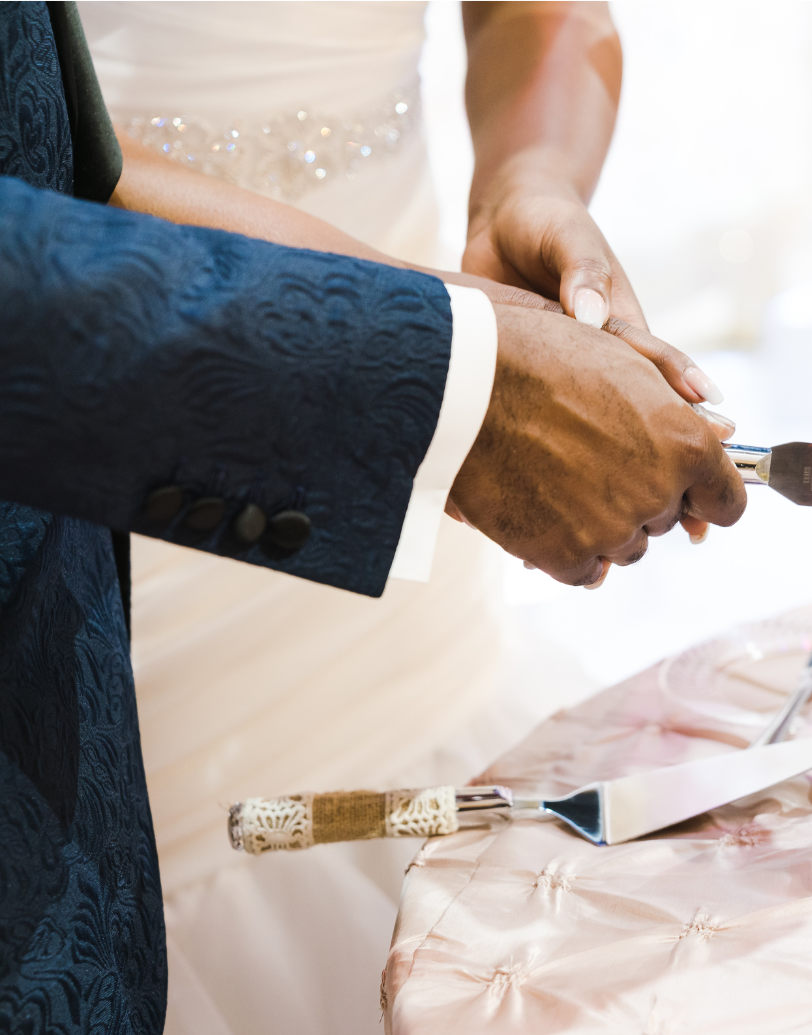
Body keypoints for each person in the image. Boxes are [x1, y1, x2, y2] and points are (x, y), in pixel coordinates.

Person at [0, 3, 747, 1033]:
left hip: (423, 615)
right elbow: (50, 179)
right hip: (141, 545)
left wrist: (530, 178)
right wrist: (447, 368)